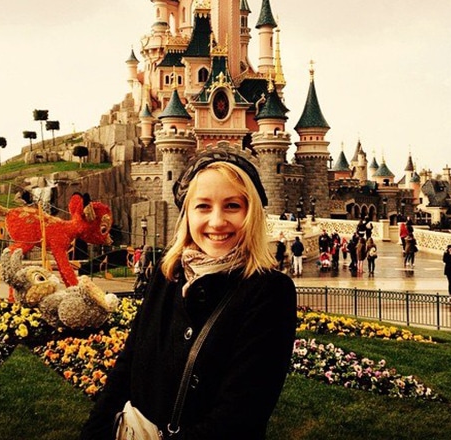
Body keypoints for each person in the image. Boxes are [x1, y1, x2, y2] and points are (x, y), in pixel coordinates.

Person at [81, 149, 297, 440]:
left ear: (252, 214)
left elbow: (240, 415)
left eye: (232, 206)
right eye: (203, 206)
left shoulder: (269, 292)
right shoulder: (167, 273)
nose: (217, 221)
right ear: (187, 213)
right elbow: (128, 364)